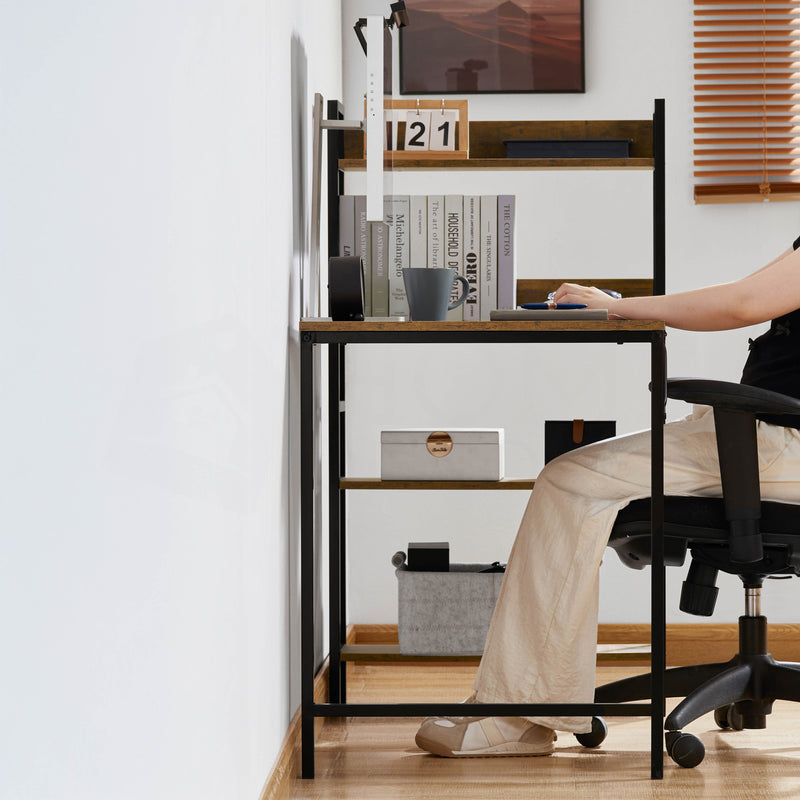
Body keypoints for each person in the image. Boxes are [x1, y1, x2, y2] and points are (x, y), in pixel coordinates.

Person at [415, 238, 800, 758]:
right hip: (768, 443)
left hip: (777, 446)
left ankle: (521, 718)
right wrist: (613, 302)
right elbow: (751, 289)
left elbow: (741, 305)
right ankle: (531, 704)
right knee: (579, 478)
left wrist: (614, 306)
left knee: (568, 480)